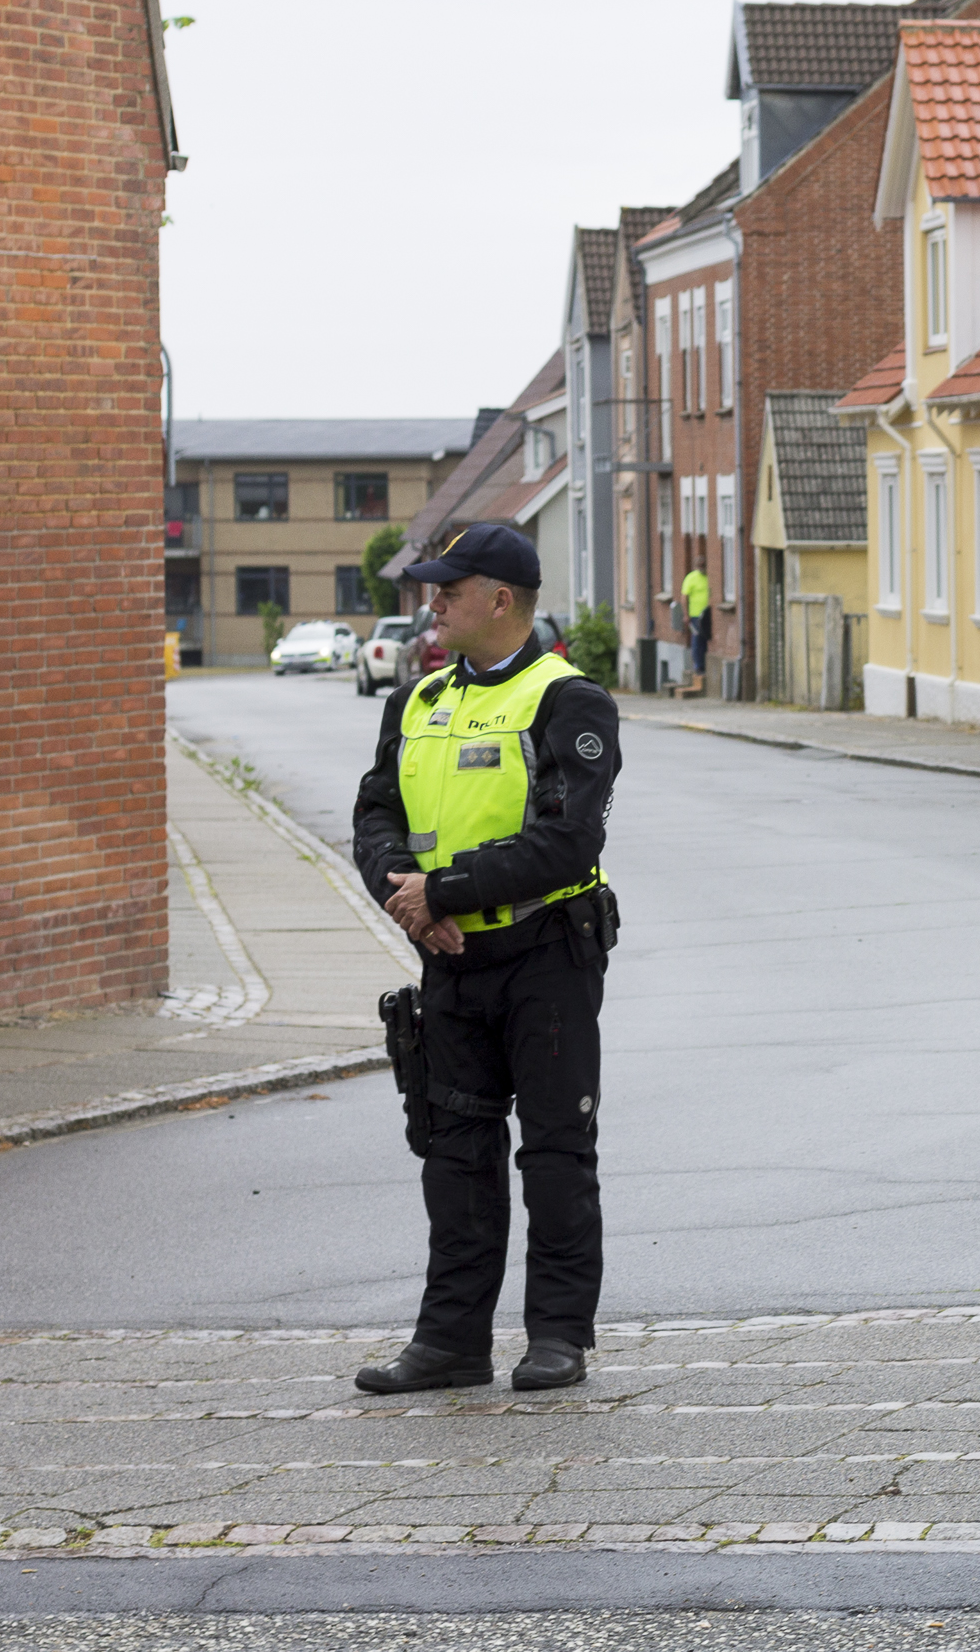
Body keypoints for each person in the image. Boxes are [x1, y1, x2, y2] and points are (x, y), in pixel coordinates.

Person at [348, 522, 622, 1395]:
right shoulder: (416, 700)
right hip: (450, 961)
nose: (431, 604)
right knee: (454, 1152)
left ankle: (557, 1336)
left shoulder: (568, 701)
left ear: (500, 600)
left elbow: (566, 842)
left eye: (447, 589)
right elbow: (375, 817)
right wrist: (406, 899)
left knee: (553, 1150)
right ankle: (451, 1342)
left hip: (546, 953)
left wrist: (444, 892)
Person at [679, 556, 712, 696]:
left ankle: (704, 665)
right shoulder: (691, 578)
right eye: (699, 564)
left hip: (707, 615)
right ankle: (698, 666)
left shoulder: (710, 577)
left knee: (706, 639)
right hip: (695, 616)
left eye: (704, 564)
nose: (702, 566)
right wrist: (685, 615)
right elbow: (684, 597)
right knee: (697, 640)